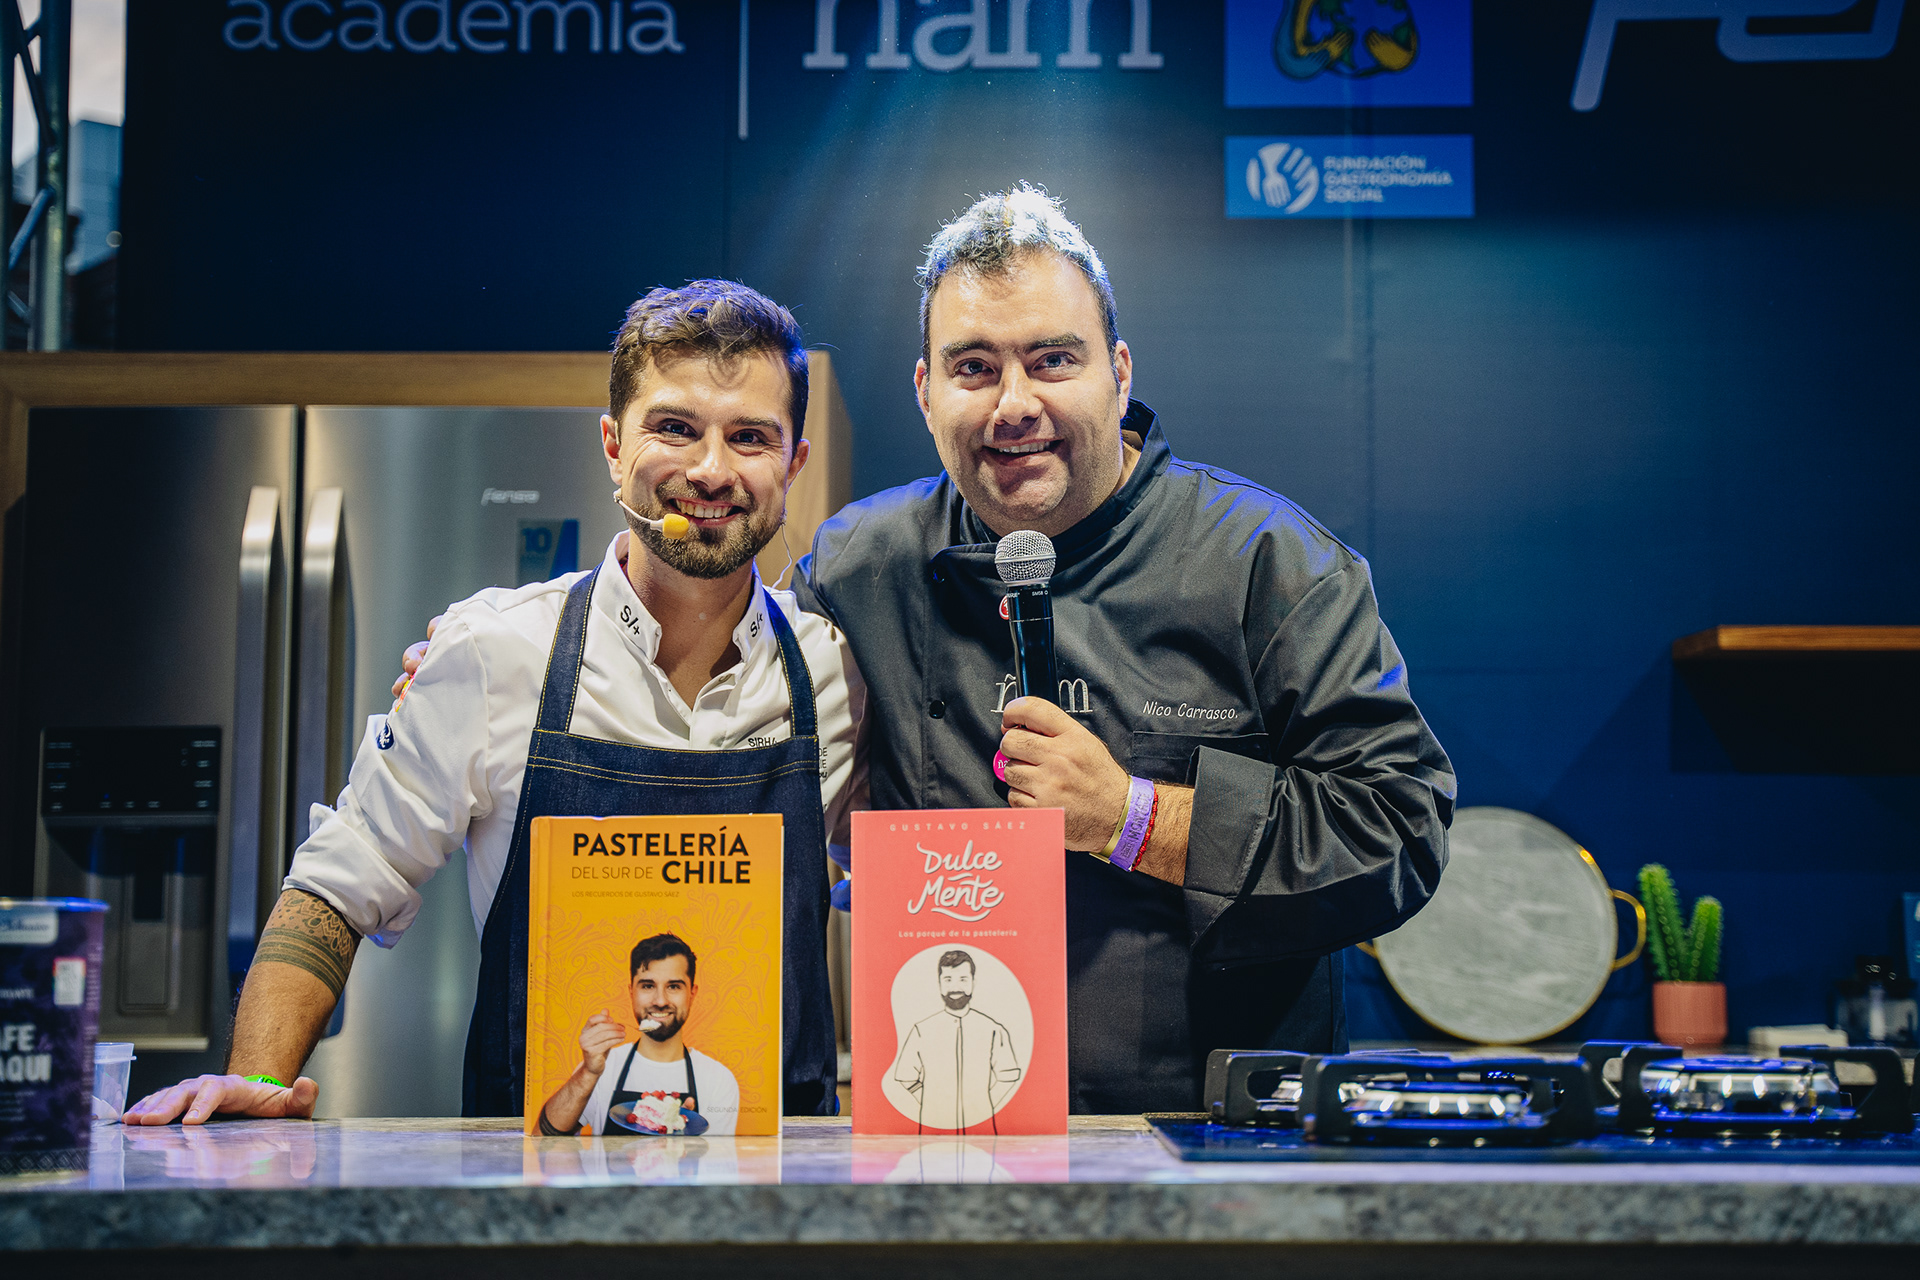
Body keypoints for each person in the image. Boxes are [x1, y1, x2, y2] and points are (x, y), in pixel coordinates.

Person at [125, 280, 866, 1126]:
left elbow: (901, 871)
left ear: (794, 464)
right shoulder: (496, 651)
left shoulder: (837, 672)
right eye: (673, 427)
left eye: (750, 437)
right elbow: (337, 885)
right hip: (537, 1183)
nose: (710, 469)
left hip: (781, 1188)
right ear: (613, 445)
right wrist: (257, 1085)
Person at [794, 185, 1455, 1112]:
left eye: (1053, 360)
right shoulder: (856, 569)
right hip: (951, 1127)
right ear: (925, 392)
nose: (1014, 404)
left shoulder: (1267, 561)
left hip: (1219, 1131)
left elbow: (1397, 829)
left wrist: (1130, 817)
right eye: (974, 367)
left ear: (1119, 371)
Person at [540, 933, 741, 1137]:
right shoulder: (601, 1067)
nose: (660, 1001)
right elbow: (541, 1143)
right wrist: (588, 1074)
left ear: (692, 993)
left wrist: (682, 1138)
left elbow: (716, 1158)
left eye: (673, 986)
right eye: (648, 986)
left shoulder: (718, 1080)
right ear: (631, 992)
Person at [889, 949, 1022, 1133]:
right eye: (948, 979)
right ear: (939, 984)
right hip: (933, 1131)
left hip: (982, 1134)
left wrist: (982, 1106)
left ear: (973, 982)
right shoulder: (922, 1029)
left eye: (963, 979)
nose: (955, 987)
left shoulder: (992, 1029)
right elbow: (906, 1075)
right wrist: (933, 1104)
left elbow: (1008, 1076)